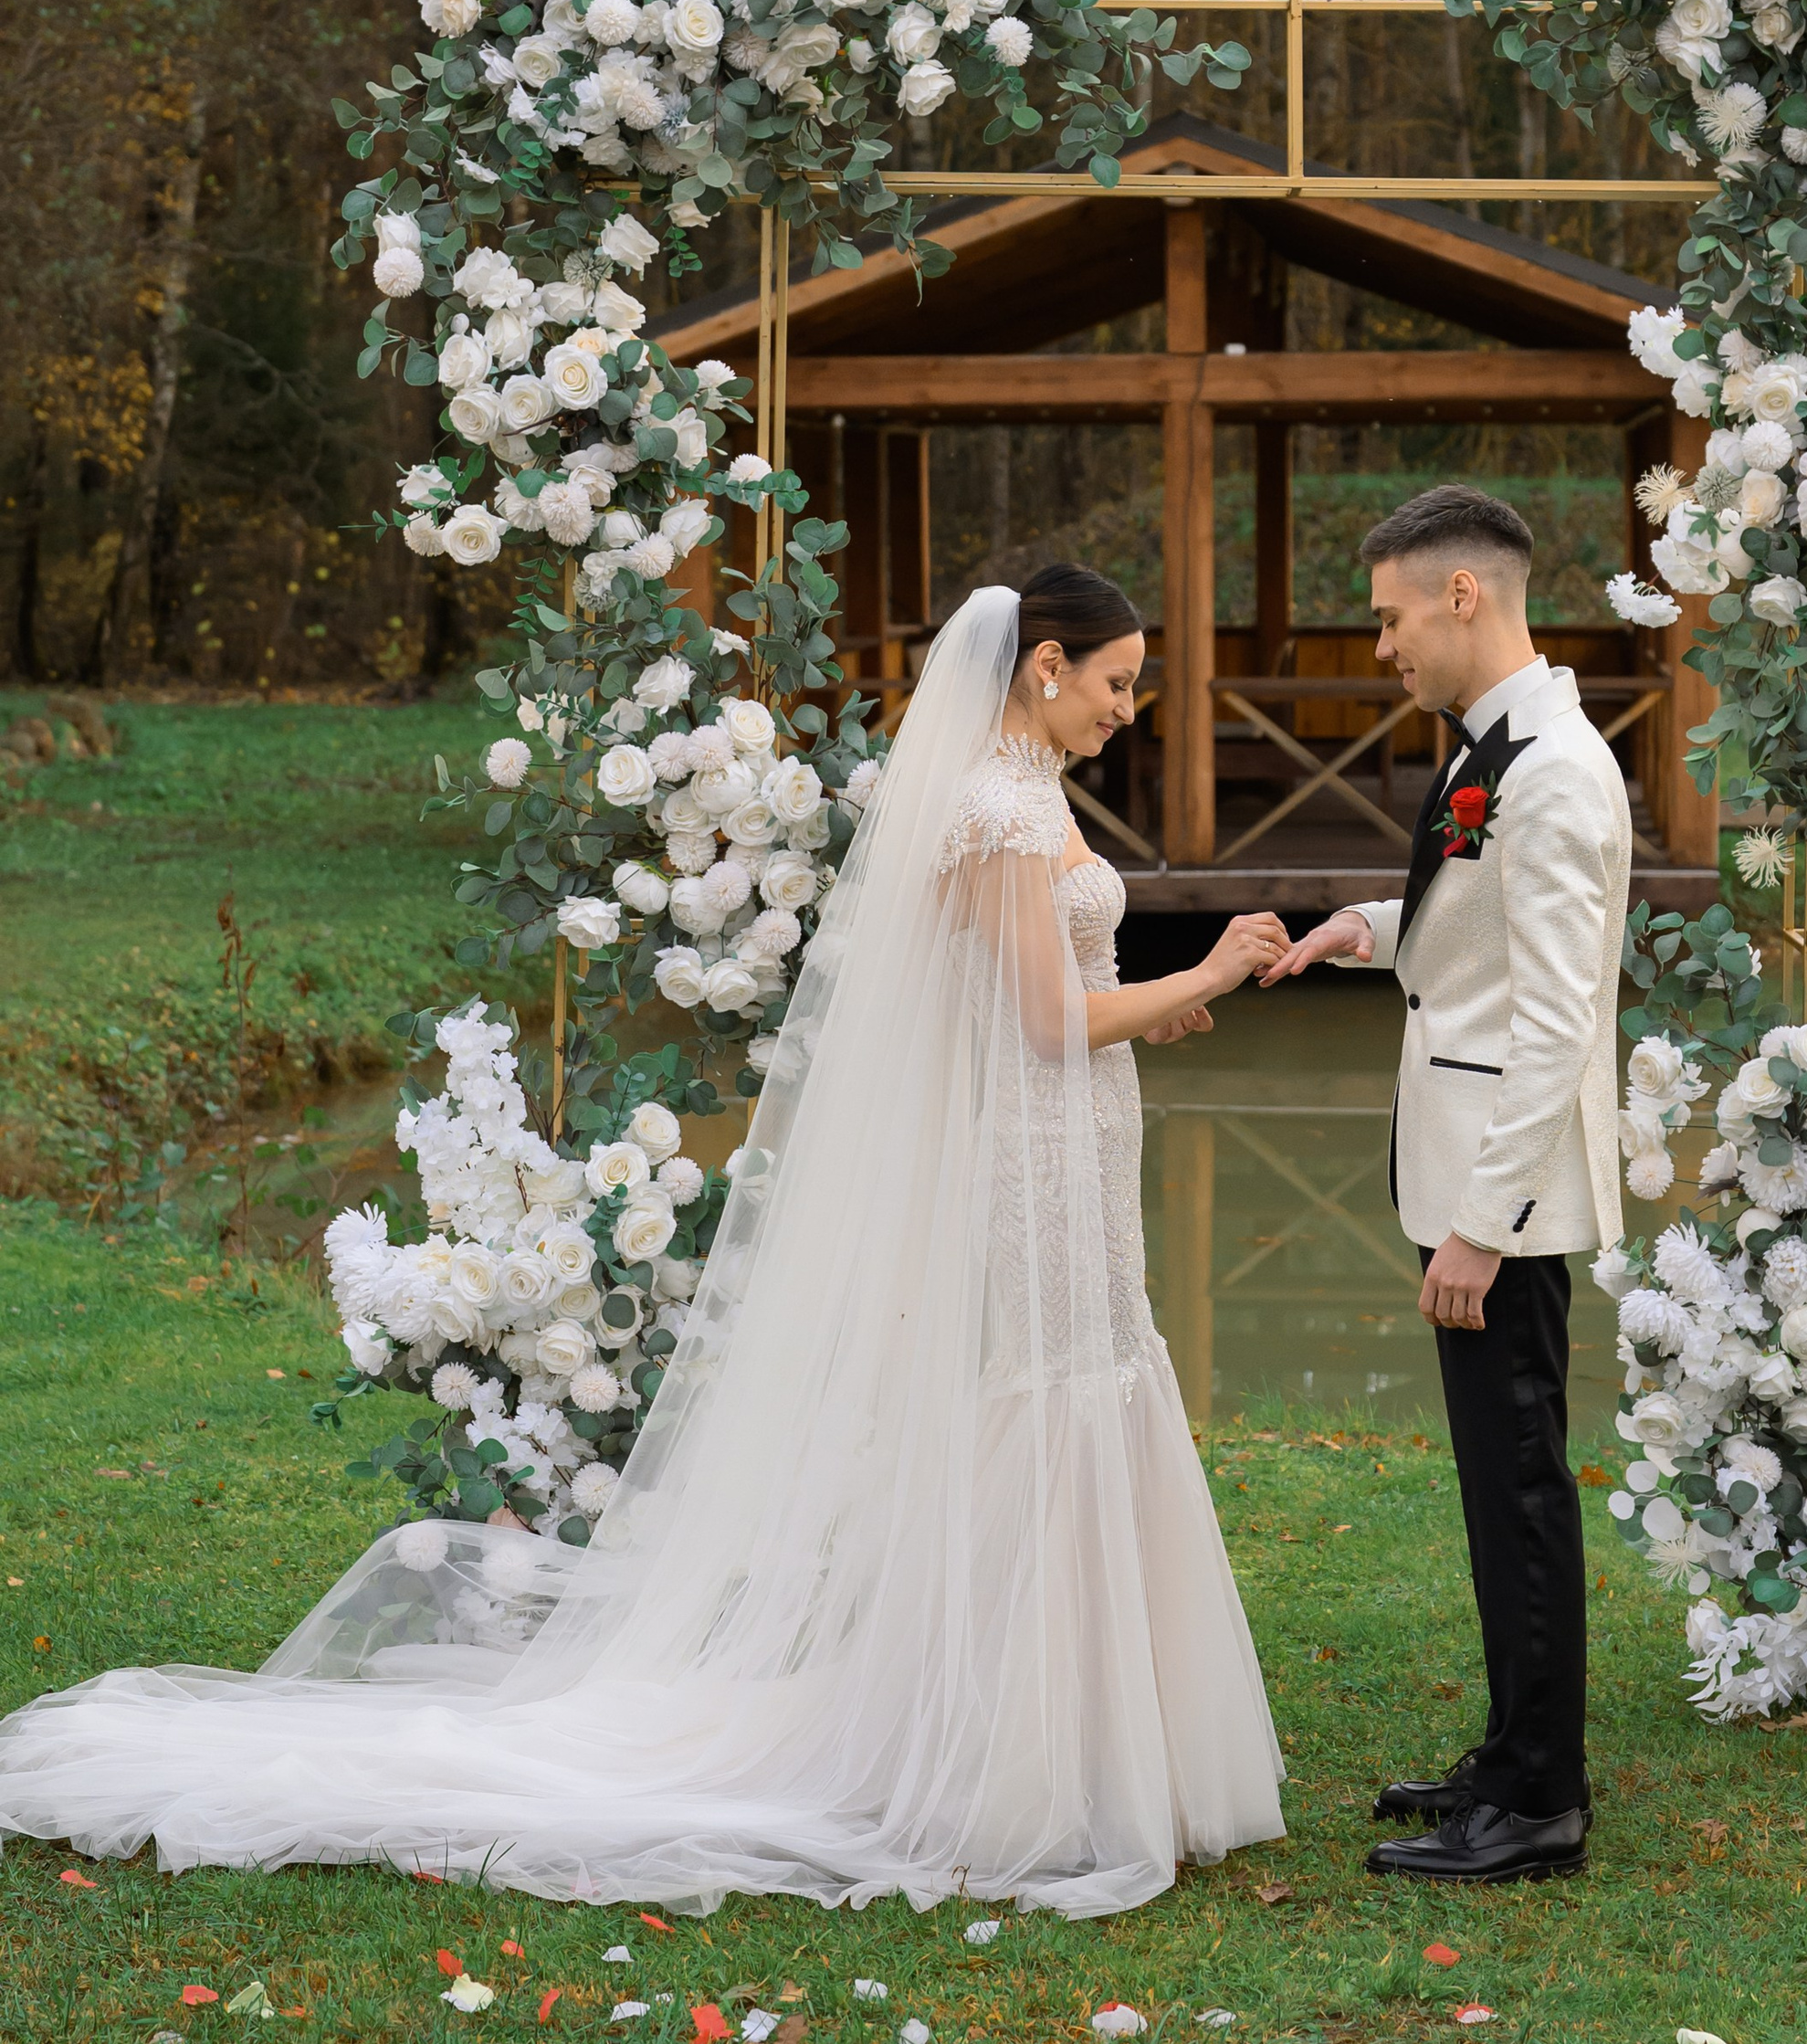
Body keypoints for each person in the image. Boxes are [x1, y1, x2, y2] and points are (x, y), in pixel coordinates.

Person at [0, 573, 1287, 1920]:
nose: (1126, 710)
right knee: (1047, 1403)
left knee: (1078, 1388)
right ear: (1045, 667)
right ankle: (1023, 1761)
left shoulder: (1025, 796)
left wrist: (1149, 1008)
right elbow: (1037, 1019)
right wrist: (1200, 978)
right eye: (1116, 681)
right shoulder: (1005, 808)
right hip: (1035, 1153)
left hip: (1072, 1143)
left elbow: (1046, 998)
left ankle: (1075, 1738)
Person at [1266, 484, 1632, 1884]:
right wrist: (1364, 928)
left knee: (1523, 1485)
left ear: (1462, 594)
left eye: (1388, 615)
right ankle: (1514, 1747)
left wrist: (1481, 1229)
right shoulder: (1504, 745)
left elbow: (1557, 1023)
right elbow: (1472, 931)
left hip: (1507, 1199)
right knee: (1499, 1485)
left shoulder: (1550, 769)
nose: (1381, 645)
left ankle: (1540, 1800)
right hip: (1482, 1181)